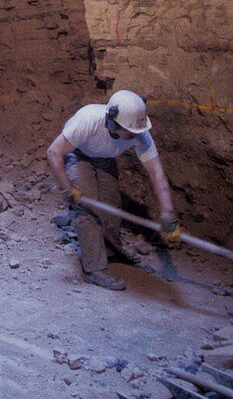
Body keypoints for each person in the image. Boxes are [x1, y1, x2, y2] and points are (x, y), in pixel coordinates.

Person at [46, 89, 180, 290]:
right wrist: (67, 191)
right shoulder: (88, 120)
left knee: (111, 204)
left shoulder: (139, 131)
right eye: (130, 132)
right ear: (112, 122)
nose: (136, 135)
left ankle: (110, 251)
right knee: (87, 208)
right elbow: (53, 152)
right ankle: (94, 268)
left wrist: (168, 212)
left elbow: (156, 173)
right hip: (79, 153)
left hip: (105, 157)